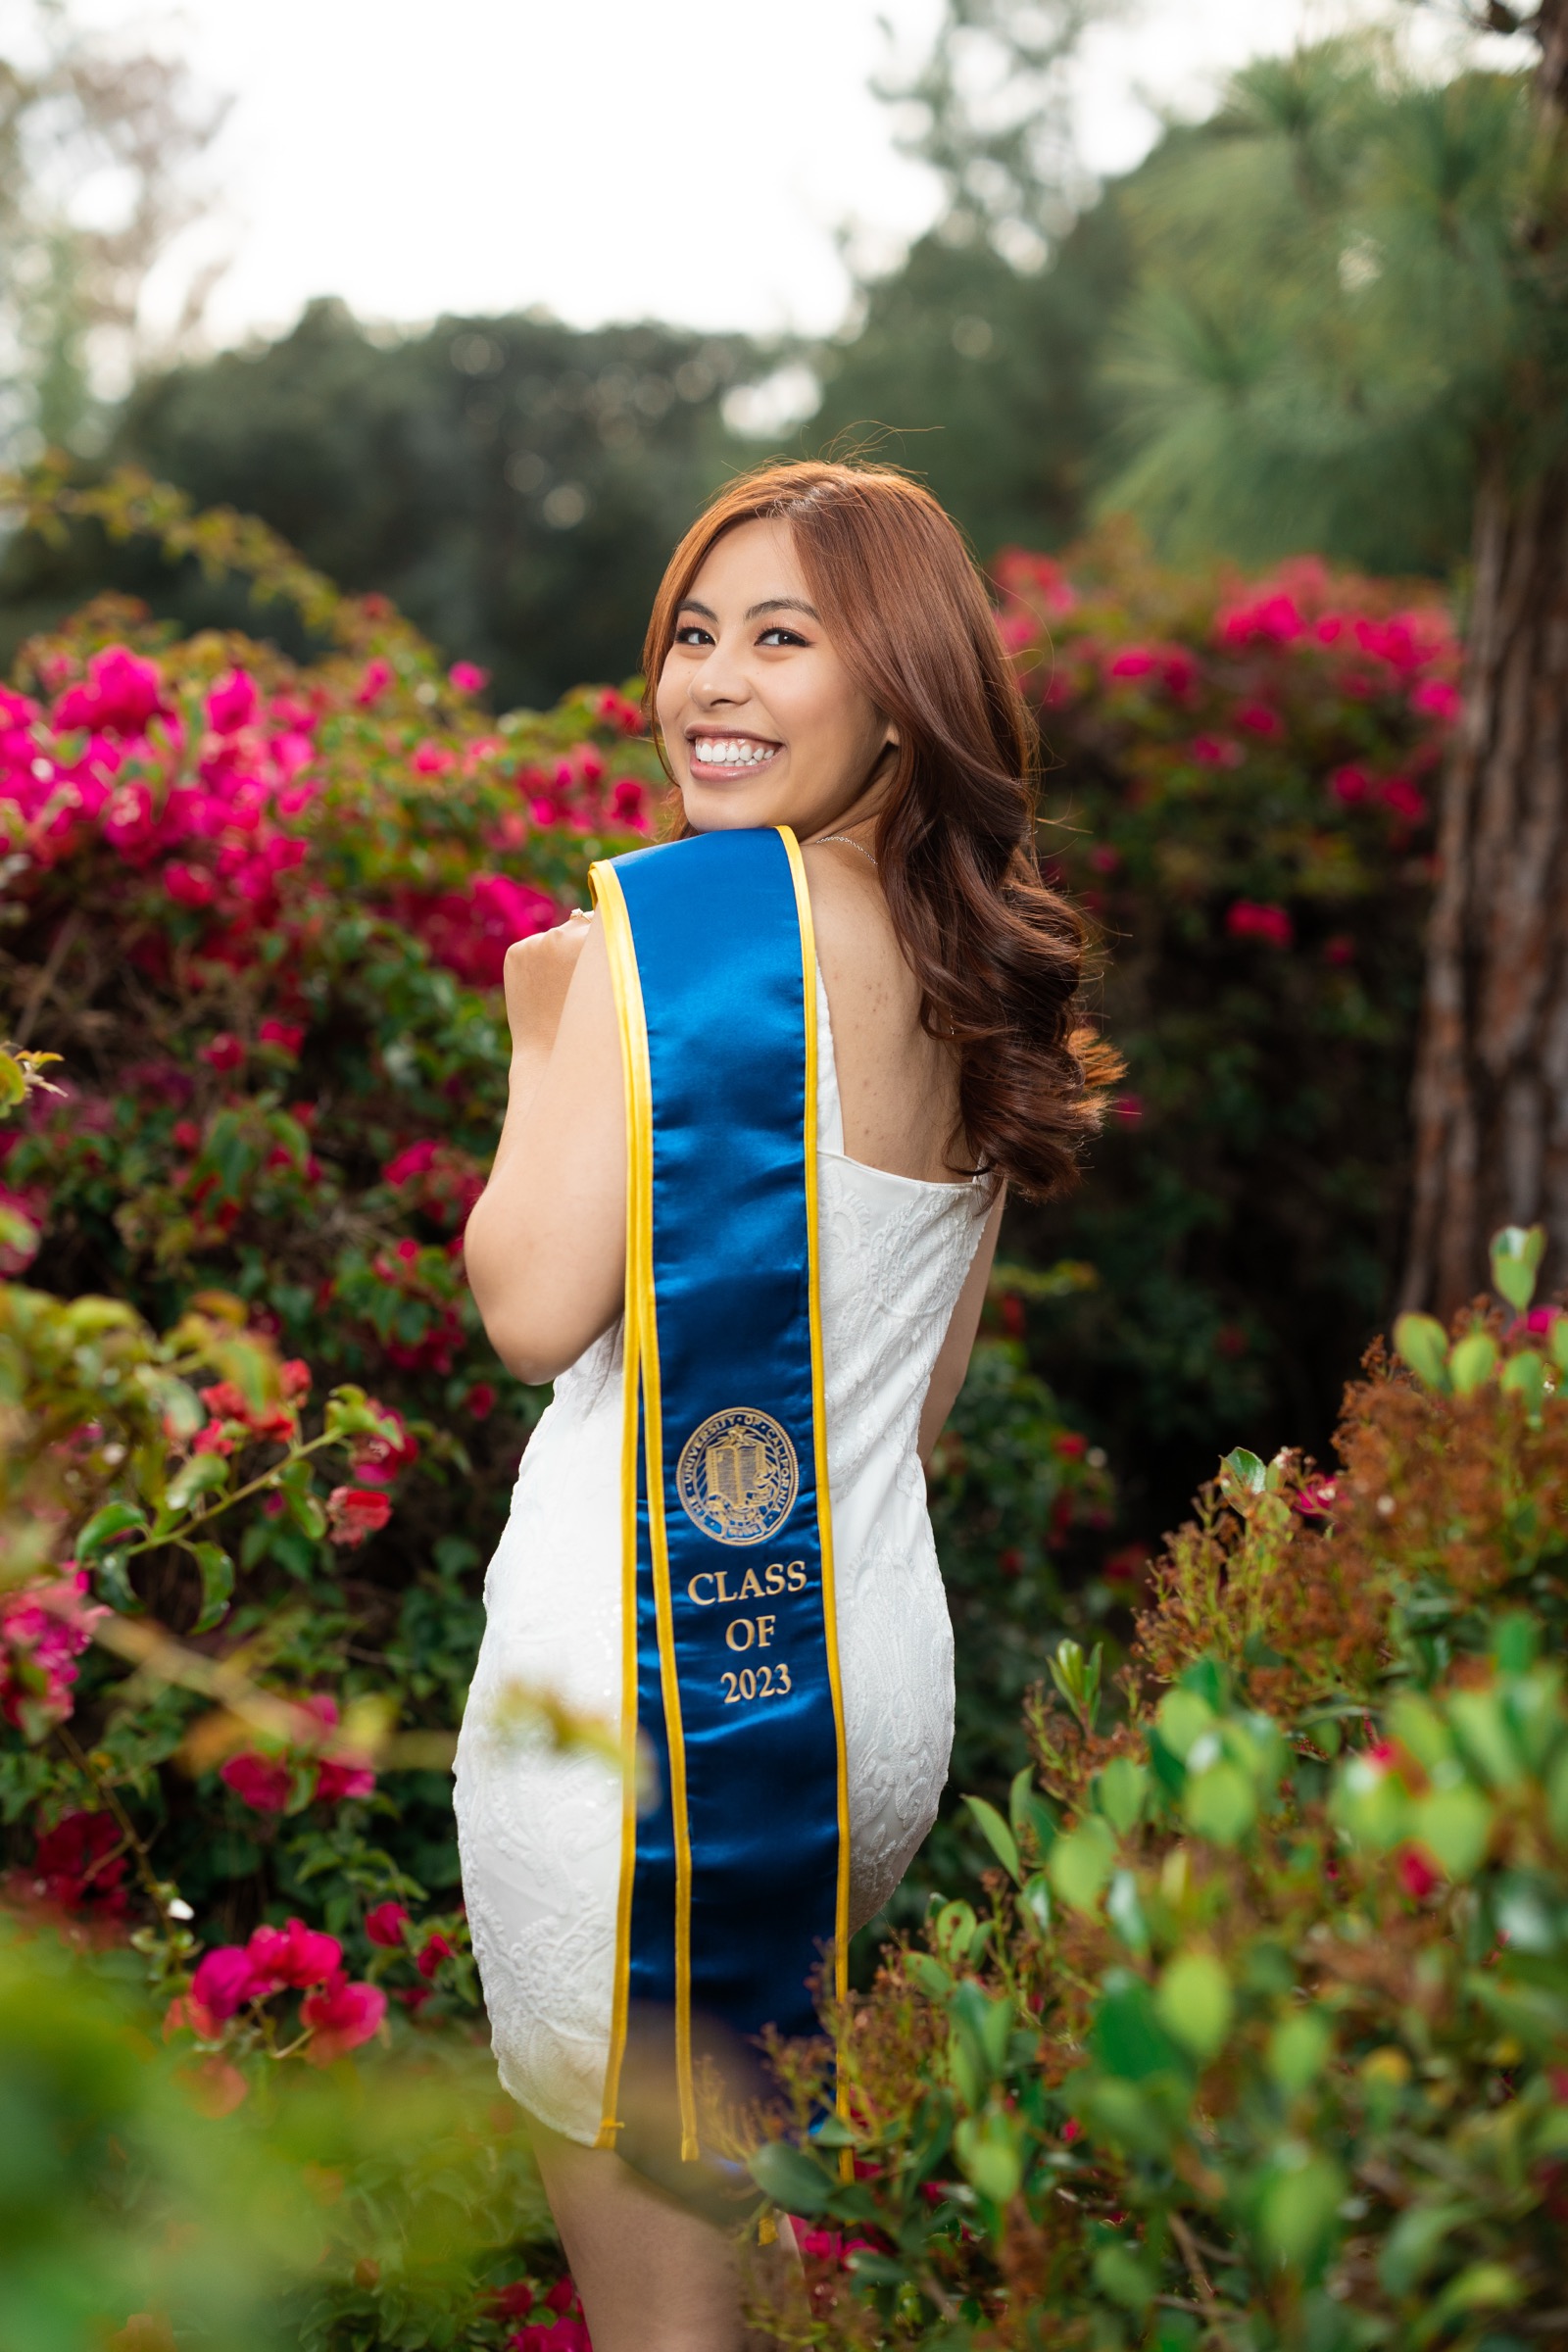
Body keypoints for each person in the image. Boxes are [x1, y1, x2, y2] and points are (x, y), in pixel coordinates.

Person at [455, 460, 1109, 2352]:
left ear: (897, 683)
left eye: (781, 639)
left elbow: (527, 1305)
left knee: (667, 2326)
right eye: (691, 633)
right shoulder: (983, 963)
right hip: (860, 1689)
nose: (711, 683)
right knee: (745, 2268)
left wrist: (538, 1033)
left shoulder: (703, 933)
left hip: (654, 1697)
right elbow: (911, 1418)